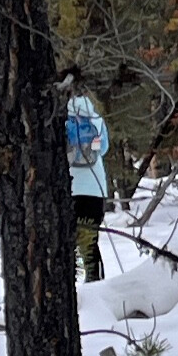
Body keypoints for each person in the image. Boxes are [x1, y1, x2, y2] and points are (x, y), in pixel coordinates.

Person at [65, 91, 112, 282]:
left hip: (71, 187)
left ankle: (69, 284)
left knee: (68, 239)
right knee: (90, 241)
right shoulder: (96, 121)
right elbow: (104, 149)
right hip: (95, 189)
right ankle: (95, 280)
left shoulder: (62, 121)